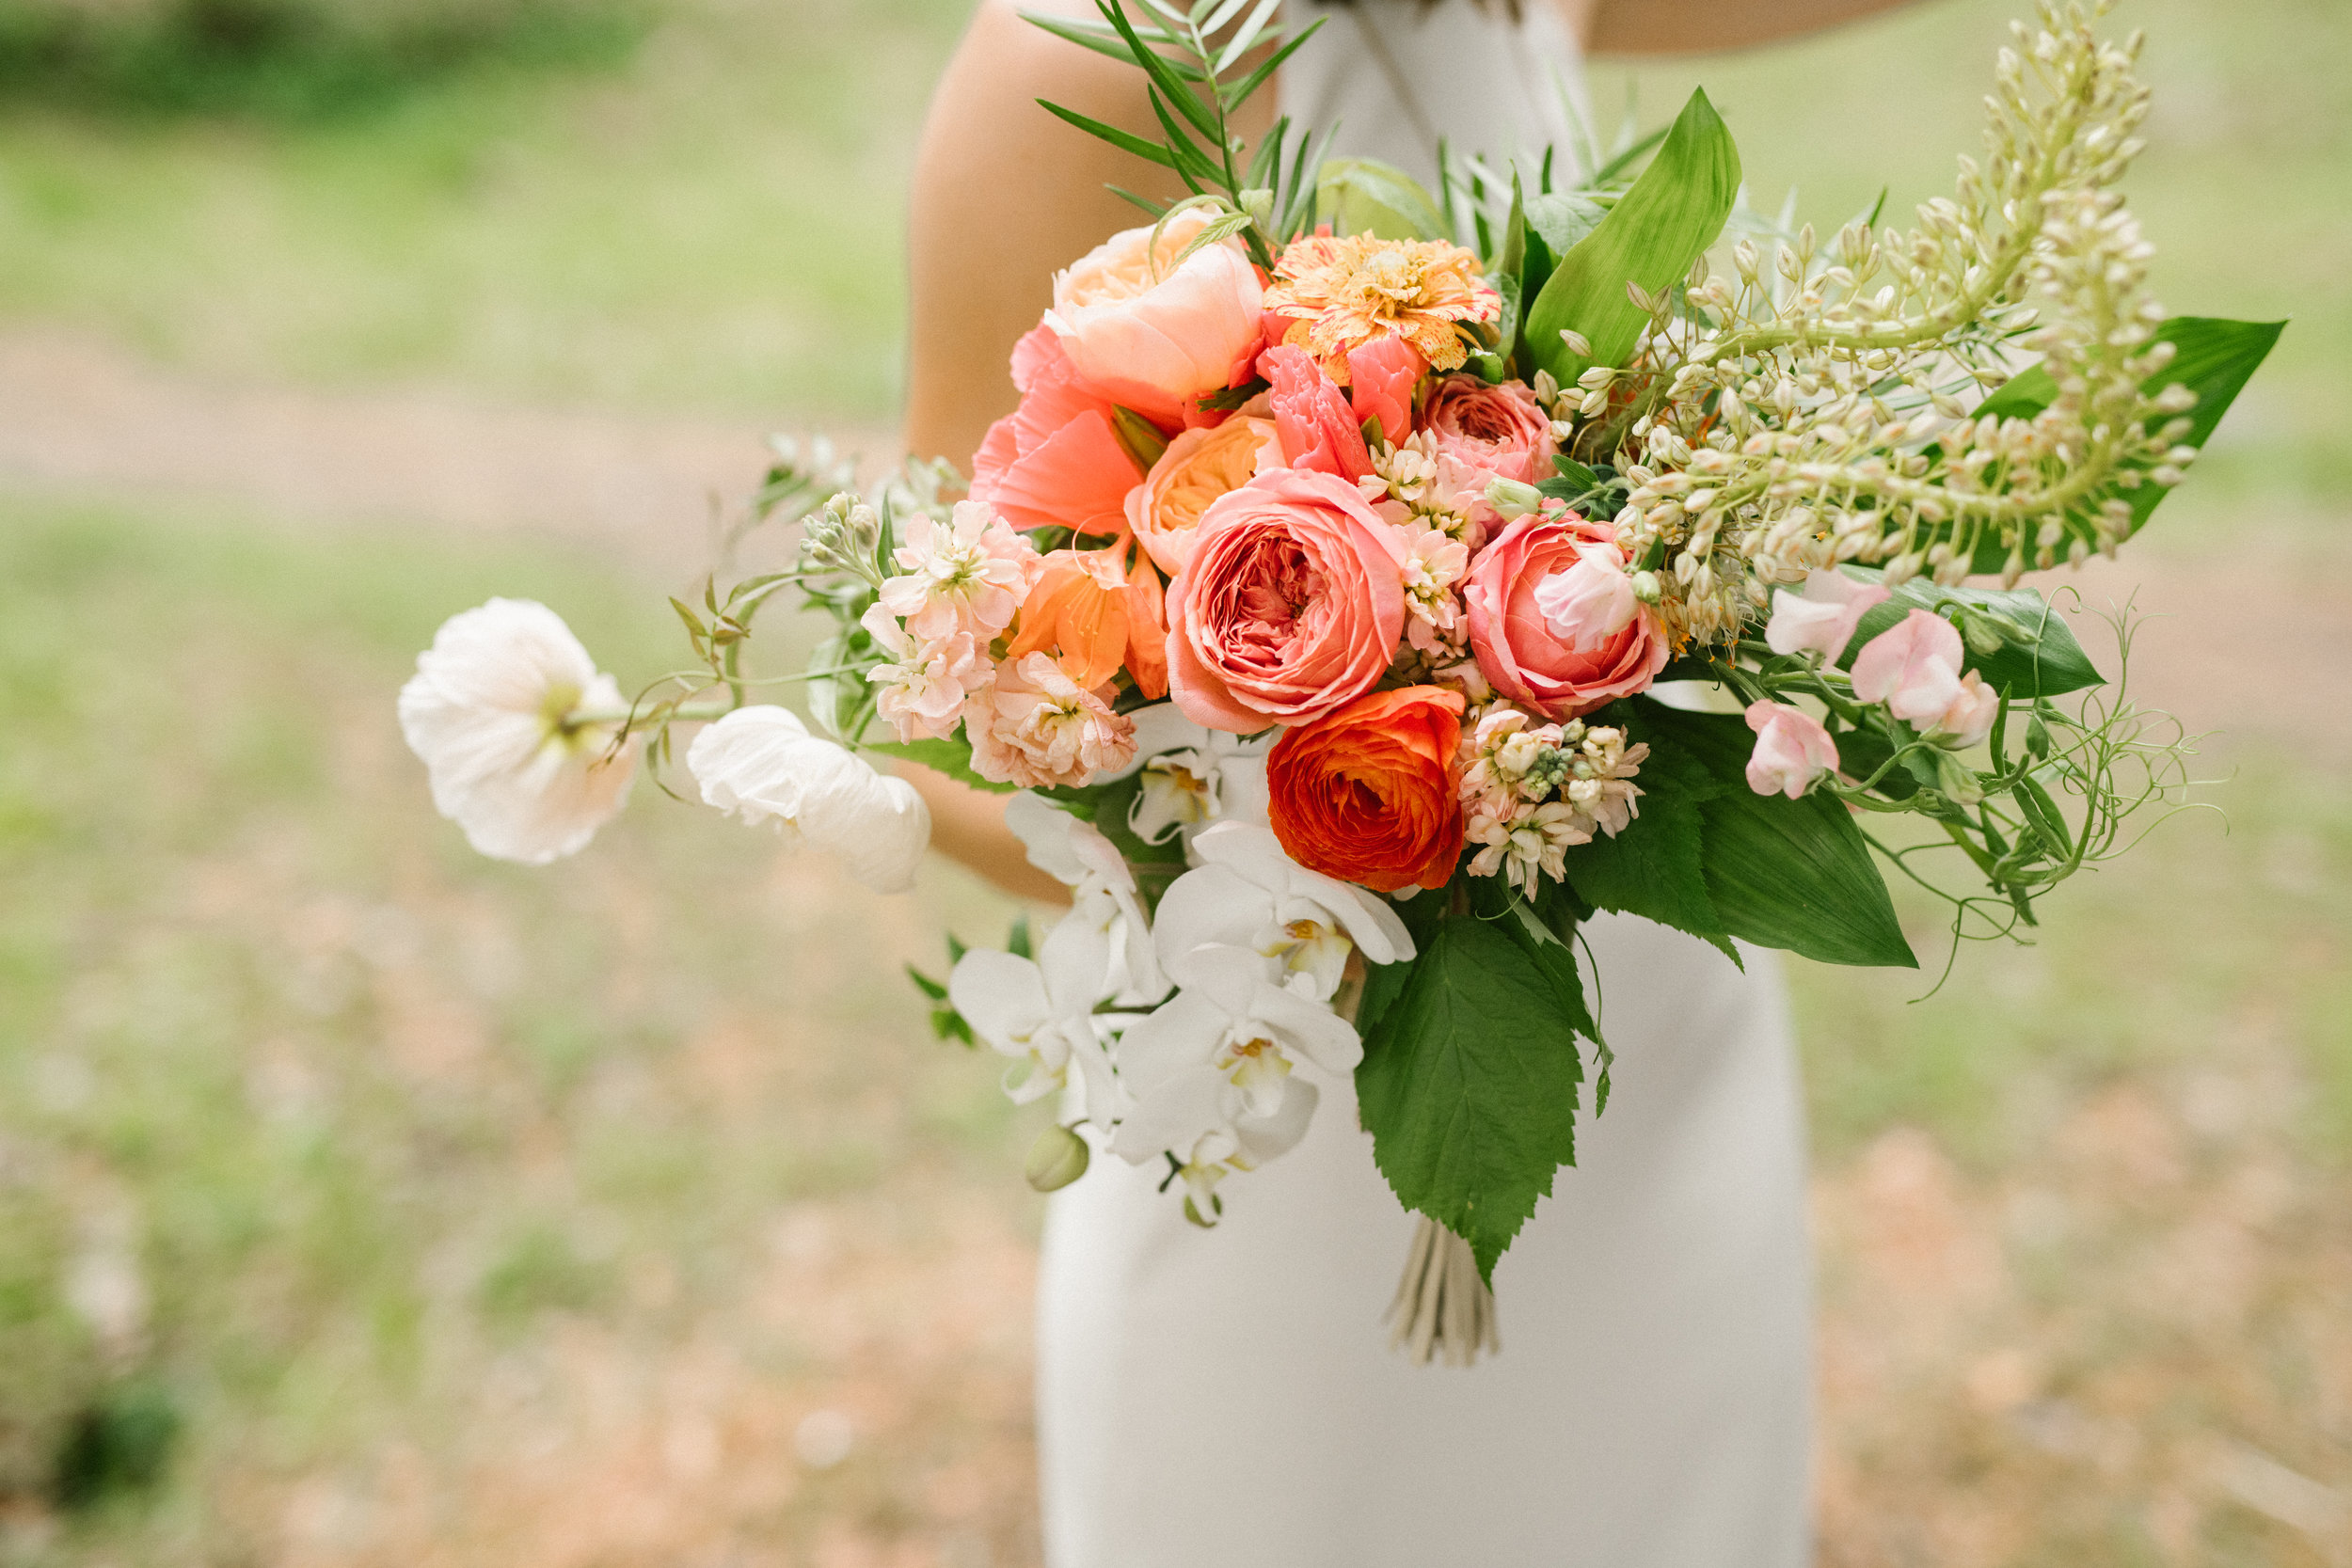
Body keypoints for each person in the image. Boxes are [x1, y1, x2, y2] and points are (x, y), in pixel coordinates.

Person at [901, 3, 1910, 1562]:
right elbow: (933, 728)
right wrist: (1289, 813)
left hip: (1654, 1040)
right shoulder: (1079, 58)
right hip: (1277, 1079)